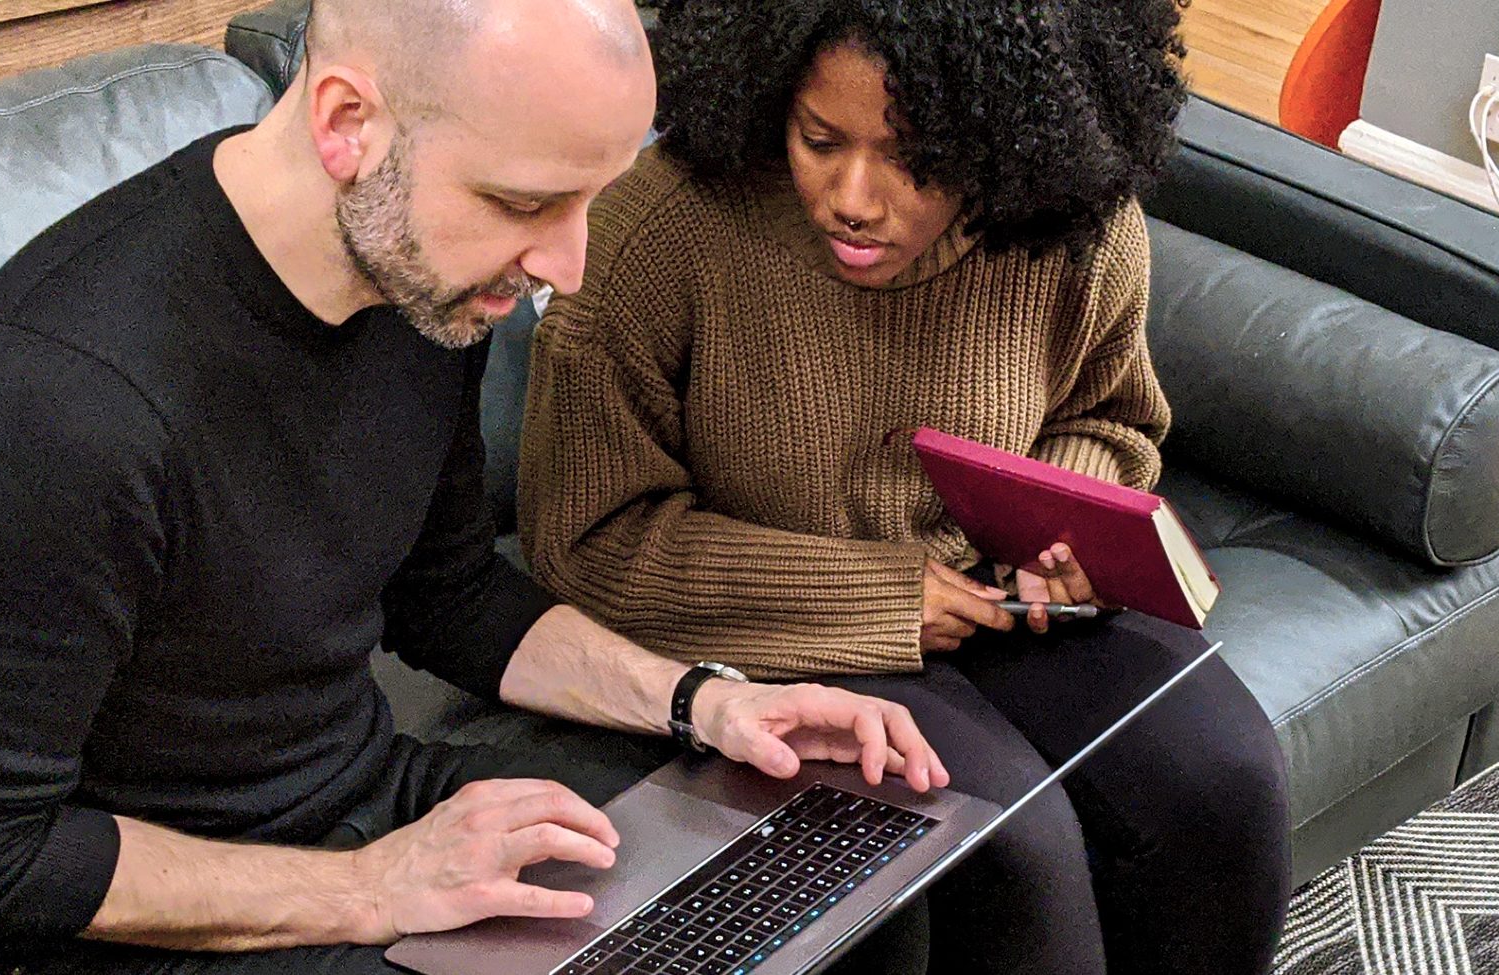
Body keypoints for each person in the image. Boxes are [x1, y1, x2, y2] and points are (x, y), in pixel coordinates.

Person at [0, 2, 948, 973]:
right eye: (527, 201)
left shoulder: (424, 285)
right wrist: (371, 888)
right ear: (345, 125)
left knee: (826, 852)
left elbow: (450, 595)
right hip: (164, 914)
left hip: (370, 803)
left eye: (587, 203)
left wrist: (706, 701)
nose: (563, 269)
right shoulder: (69, 403)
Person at [517, 1, 1292, 973]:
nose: (852, 196)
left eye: (914, 157)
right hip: (776, 621)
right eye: (817, 139)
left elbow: (1107, 419)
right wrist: (888, 599)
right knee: (1010, 843)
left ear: (1003, 133)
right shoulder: (657, 234)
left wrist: (1058, 532)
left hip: (1007, 594)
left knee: (1225, 778)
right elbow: (585, 541)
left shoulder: (1070, 223)